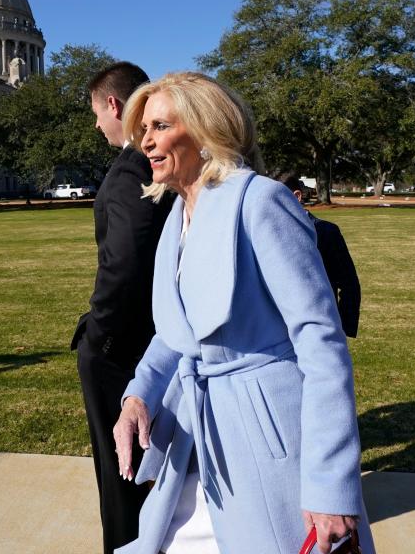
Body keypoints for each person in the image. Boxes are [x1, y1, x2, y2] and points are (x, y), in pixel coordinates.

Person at [112, 73, 375, 554]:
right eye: (143, 129)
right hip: (198, 440)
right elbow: (177, 331)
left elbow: (321, 342)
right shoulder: (178, 216)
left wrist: (329, 482)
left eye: (160, 126)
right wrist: (138, 397)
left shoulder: (261, 202)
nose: (145, 141)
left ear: (204, 129)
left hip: (269, 444)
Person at [73, 61, 173, 553]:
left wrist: (100, 332)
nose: (96, 124)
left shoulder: (132, 168)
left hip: (122, 346)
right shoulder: (157, 167)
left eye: (96, 111)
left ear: (114, 104)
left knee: (119, 467)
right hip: (149, 339)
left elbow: (126, 260)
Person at [280, 174, 361, 338]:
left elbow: (349, 284)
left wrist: (343, 329)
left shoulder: (326, 232)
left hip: (319, 327)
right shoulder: (266, 234)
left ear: (296, 196)